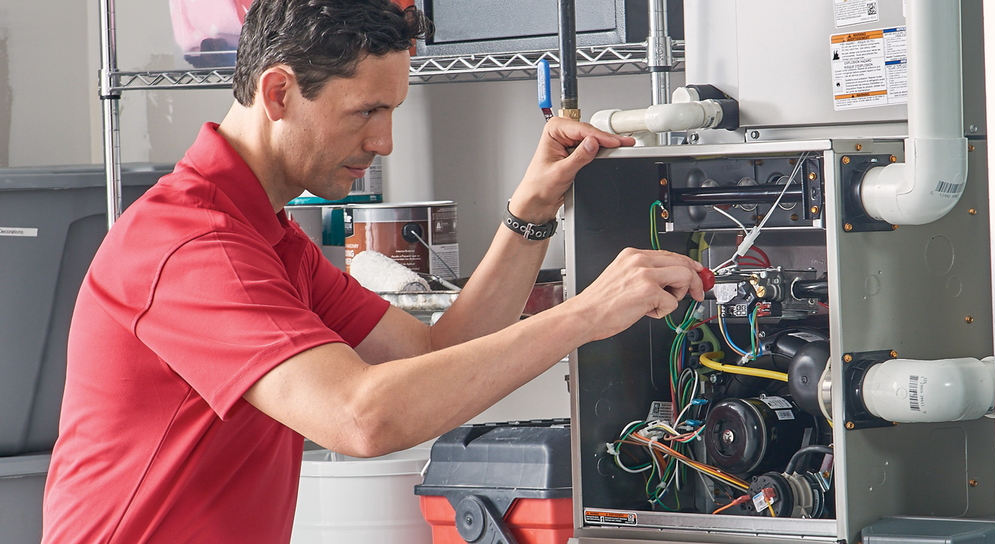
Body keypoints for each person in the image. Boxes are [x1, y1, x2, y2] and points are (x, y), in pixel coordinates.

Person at [41, 0, 706, 542]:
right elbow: (361, 419)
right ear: (279, 92)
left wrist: (531, 209)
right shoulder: (193, 246)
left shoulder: (264, 234)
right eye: (367, 111)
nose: (383, 141)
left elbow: (440, 352)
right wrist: (585, 314)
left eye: (392, 112)